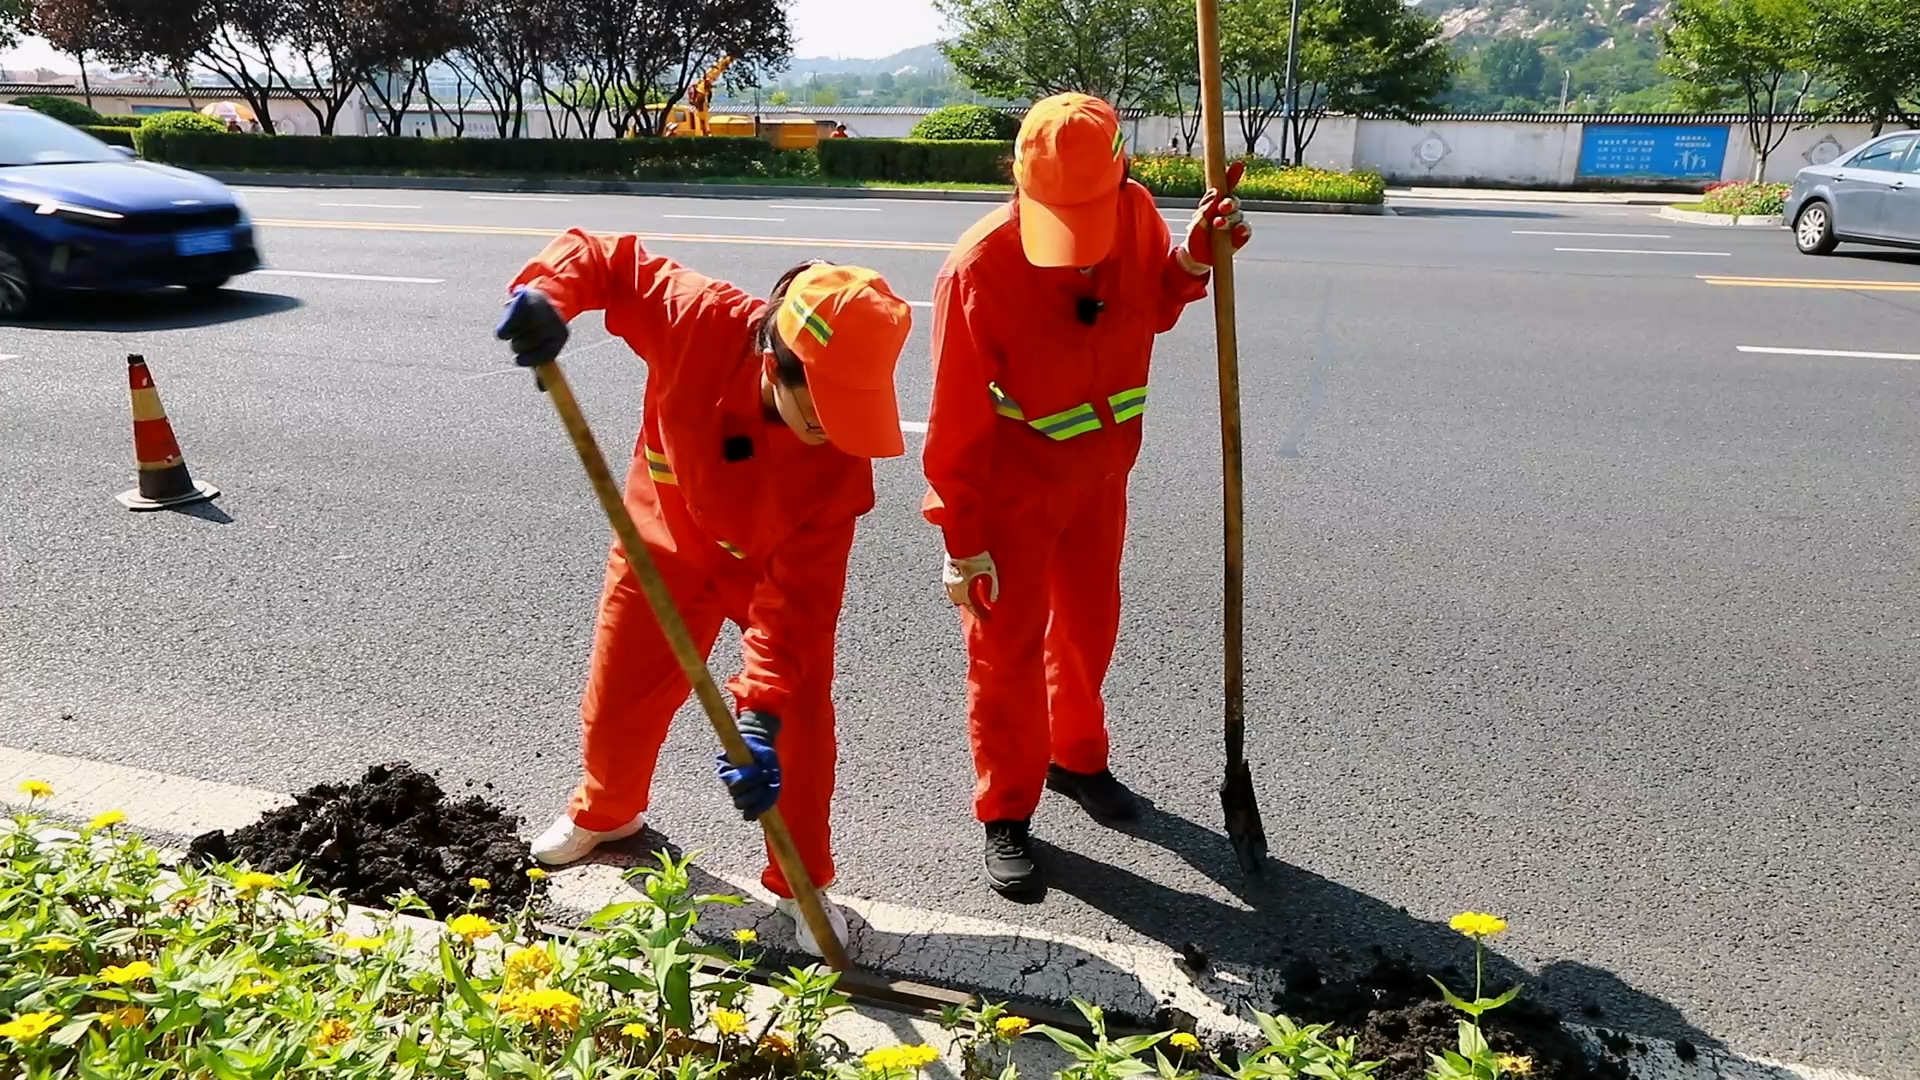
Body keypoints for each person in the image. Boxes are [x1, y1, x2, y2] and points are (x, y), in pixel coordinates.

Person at [495, 231, 912, 953]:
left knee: (800, 727)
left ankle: (801, 882)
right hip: (662, 535)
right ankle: (607, 811)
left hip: (765, 573)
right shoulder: (697, 319)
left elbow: (800, 612)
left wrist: (763, 716)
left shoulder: (841, 461)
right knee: (620, 688)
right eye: (820, 407)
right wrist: (546, 295)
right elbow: (606, 260)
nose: (830, 431)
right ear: (775, 361)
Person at [922, 92, 1251, 898]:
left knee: (1089, 625)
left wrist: (1196, 259)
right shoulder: (979, 266)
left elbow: (1154, 305)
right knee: (1005, 655)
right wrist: (961, 541)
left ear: (1120, 178)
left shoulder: (1134, 214)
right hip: (1011, 493)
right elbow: (954, 422)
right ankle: (1006, 808)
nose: (1072, 245)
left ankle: (1076, 758)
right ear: (1020, 181)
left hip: (1102, 478)